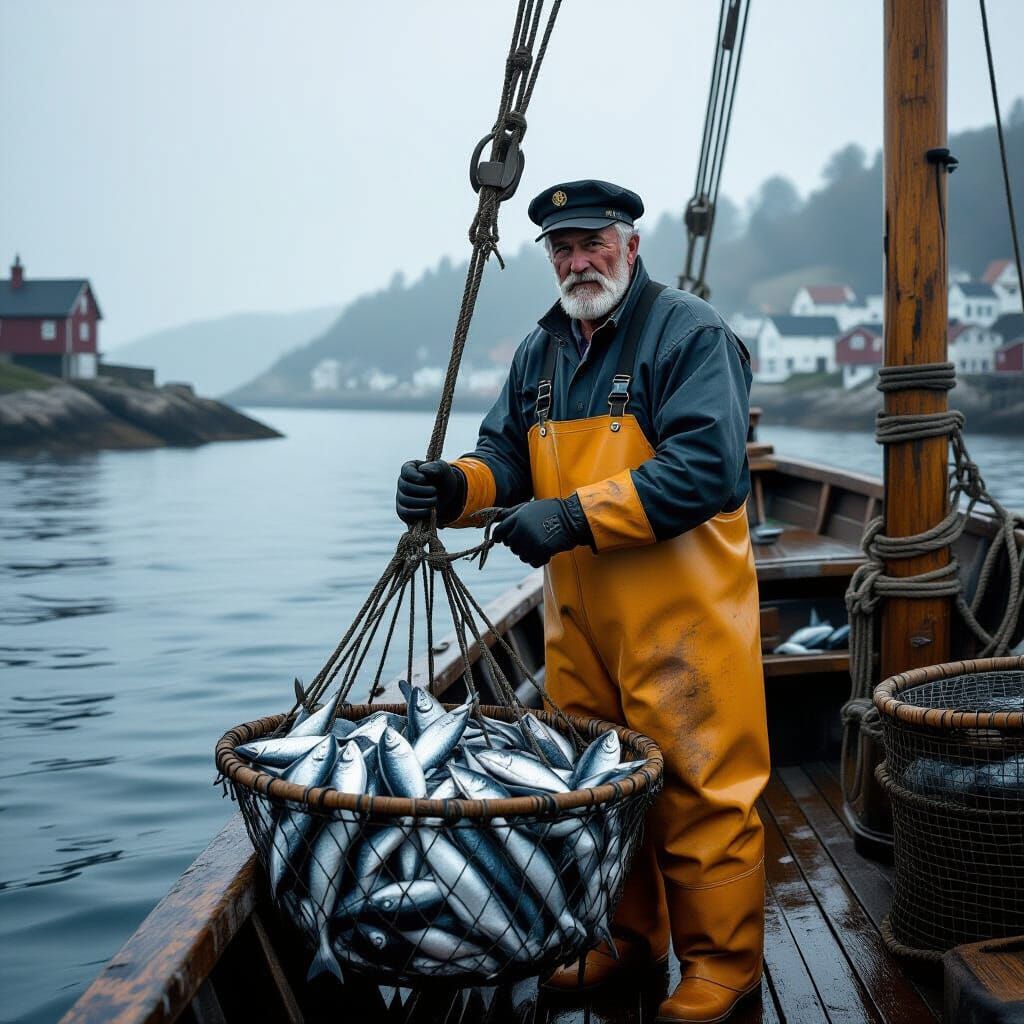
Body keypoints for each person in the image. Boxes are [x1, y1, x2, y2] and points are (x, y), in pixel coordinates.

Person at [395, 179, 770, 1024]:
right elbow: (505, 458)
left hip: (687, 622)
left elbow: (709, 471)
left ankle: (722, 963)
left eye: (592, 241)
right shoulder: (540, 353)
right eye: (561, 248)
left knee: (703, 789)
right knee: (598, 790)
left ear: (631, 245)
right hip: (580, 627)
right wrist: (455, 486)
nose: (577, 260)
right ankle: (624, 938)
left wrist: (568, 515)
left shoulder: (689, 333)